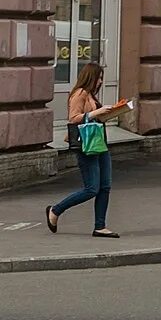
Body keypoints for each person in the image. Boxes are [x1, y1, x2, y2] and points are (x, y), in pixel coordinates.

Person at [47, 63, 131, 238]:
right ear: (90, 77)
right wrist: (96, 112)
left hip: (99, 143)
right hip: (86, 146)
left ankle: (100, 226)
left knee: (105, 186)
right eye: (98, 78)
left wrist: (110, 112)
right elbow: (73, 119)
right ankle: (55, 210)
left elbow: (94, 117)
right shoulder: (79, 94)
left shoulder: (91, 95)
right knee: (92, 188)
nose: (100, 81)